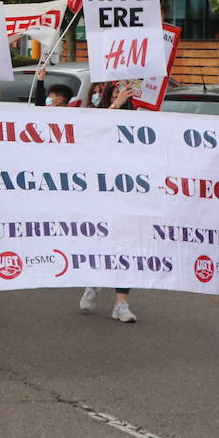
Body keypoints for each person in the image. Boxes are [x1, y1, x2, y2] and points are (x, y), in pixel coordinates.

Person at [79, 80, 138, 322]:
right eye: (116, 90)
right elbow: (95, 134)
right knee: (100, 240)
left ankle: (121, 303)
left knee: (127, 245)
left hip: (131, 192)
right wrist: (116, 105)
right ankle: (93, 282)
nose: (122, 93)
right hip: (100, 191)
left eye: (126, 90)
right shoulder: (96, 114)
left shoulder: (140, 118)